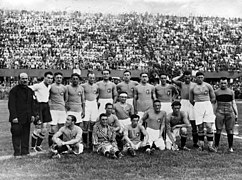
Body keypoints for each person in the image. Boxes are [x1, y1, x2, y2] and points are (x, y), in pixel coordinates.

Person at [8, 73, 35, 157]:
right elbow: (11, 105)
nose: (25, 80)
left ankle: (25, 151)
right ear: (19, 80)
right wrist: (14, 117)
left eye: (26, 79)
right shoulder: (14, 90)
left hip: (27, 117)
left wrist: (32, 115)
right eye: (23, 79)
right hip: (17, 117)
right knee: (16, 134)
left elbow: (32, 104)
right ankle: (17, 152)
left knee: (26, 134)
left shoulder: (30, 90)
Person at [189, 72, 216, 152]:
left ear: (203, 78)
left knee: (208, 126)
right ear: (195, 78)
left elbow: (213, 97)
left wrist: (208, 105)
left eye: (201, 77)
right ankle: (201, 145)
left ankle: (210, 146)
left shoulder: (208, 86)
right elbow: (191, 100)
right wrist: (197, 105)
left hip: (207, 105)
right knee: (200, 126)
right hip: (197, 105)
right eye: (198, 77)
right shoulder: (192, 88)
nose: (200, 79)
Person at [172, 70, 198, 148]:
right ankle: (183, 143)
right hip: (183, 103)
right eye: (185, 77)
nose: (187, 79)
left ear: (191, 78)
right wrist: (181, 75)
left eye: (188, 77)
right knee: (183, 121)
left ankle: (195, 142)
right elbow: (173, 80)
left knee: (194, 123)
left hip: (192, 102)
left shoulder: (194, 84)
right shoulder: (181, 84)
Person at [30, 71, 53, 152]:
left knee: (44, 129)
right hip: (38, 107)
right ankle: (33, 147)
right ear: (44, 78)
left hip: (46, 106)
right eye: (48, 78)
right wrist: (33, 98)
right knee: (38, 128)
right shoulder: (38, 85)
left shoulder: (49, 86)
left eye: (51, 78)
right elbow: (28, 89)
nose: (50, 80)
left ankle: (38, 145)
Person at [214, 77, 238, 152]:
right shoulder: (216, 92)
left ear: (227, 83)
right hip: (219, 112)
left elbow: (233, 103)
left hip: (229, 112)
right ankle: (216, 146)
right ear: (219, 83)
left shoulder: (231, 92)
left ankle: (230, 147)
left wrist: (236, 113)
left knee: (230, 130)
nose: (223, 85)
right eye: (222, 83)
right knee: (218, 129)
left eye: (225, 83)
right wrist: (213, 113)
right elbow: (214, 103)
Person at [48, 72, 68, 147]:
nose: (59, 79)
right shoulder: (51, 86)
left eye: (60, 78)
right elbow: (48, 97)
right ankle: (51, 145)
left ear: (62, 78)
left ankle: (60, 145)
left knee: (61, 128)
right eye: (57, 78)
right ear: (54, 78)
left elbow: (66, 99)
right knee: (53, 128)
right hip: (53, 109)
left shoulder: (64, 88)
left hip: (62, 110)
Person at [82, 72, 99, 149]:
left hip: (94, 104)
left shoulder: (96, 86)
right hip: (86, 104)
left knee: (93, 123)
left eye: (93, 78)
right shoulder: (83, 86)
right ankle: (85, 143)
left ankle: (91, 143)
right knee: (85, 123)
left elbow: (98, 93)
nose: (92, 79)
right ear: (87, 78)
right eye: (90, 77)